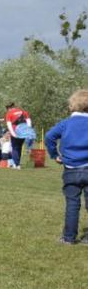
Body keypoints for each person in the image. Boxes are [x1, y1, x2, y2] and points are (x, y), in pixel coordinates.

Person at [45, 89, 88, 245]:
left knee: (72, 204)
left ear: (71, 106)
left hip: (71, 169)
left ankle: (68, 238)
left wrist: (54, 155)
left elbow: (49, 137)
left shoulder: (65, 124)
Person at [5, 101, 31, 170]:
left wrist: (12, 133)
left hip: (15, 131)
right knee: (19, 147)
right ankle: (17, 163)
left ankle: (16, 164)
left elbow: (9, 124)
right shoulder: (23, 111)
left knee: (15, 148)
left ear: (9, 108)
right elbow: (28, 121)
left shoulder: (9, 113)